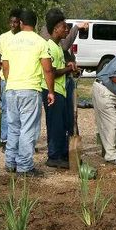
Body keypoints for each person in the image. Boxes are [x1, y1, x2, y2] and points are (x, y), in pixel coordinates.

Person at [1, 10, 55, 176]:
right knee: (28, 129)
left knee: (13, 127)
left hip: (11, 89)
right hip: (30, 90)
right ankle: (24, 167)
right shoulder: (41, 42)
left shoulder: (10, 41)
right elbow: (47, 69)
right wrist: (51, 91)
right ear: (35, 24)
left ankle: (10, 163)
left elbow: (5, 66)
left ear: (21, 23)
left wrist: (11, 83)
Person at [41, 9, 77, 169]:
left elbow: (59, 67)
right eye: (64, 27)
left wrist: (68, 65)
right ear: (55, 29)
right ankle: (53, 156)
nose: (67, 30)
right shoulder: (49, 46)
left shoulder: (57, 47)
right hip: (52, 90)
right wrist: (68, 70)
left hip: (60, 90)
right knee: (55, 124)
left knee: (62, 124)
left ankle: (62, 154)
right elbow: (52, 72)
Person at [0, 9, 22, 147]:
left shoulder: (25, 38)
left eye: (16, 22)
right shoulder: (3, 37)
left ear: (20, 23)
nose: (14, 25)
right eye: (11, 22)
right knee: (6, 108)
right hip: (6, 78)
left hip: (21, 78)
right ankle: (5, 138)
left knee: (20, 110)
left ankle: (20, 139)